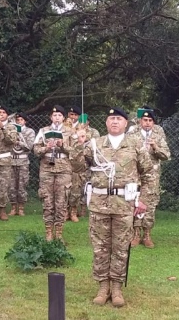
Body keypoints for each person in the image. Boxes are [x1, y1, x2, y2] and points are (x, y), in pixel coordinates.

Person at [78, 107, 151, 307]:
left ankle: (117, 287)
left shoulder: (135, 145)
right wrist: (78, 142)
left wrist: (143, 199)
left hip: (124, 204)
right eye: (111, 118)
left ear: (126, 123)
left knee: (120, 247)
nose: (115, 122)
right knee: (100, 247)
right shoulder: (96, 144)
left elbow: (149, 173)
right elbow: (77, 166)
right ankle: (103, 287)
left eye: (118, 119)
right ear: (106, 122)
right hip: (99, 203)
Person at [128, 108, 170, 248]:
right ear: (140, 121)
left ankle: (147, 235)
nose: (147, 123)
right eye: (145, 120)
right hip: (136, 175)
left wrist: (156, 147)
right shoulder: (133, 136)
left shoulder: (158, 137)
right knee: (134, 203)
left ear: (153, 123)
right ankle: (135, 234)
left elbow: (166, 155)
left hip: (152, 177)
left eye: (150, 121)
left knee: (149, 205)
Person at [33, 105, 75, 242]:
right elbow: (35, 150)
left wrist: (62, 145)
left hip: (63, 169)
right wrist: (47, 147)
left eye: (59, 115)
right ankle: (49, 232)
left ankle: (59, 233)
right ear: (51, 117)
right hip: (47, 169)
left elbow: (75, 151)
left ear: (63, 117)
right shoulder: (43, 131)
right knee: (47, 200)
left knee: (61, 201)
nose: (57, 118)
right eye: (54, 115)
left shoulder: (70, 131)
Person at [66, 106, 99, 222]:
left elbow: (94, 145)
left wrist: (83, 134)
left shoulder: (91, 132)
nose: (73, 117)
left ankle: (75, 211)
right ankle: (66, 211)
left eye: (75, 115)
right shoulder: (66, 129)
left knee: (79, 188)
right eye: (71, 115)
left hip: (83, 163)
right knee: (67, 188)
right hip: (69, 161)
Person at [8, 113, 35, 216]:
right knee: (11, 185)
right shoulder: (11, 131)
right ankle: (13, 207)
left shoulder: (29, 131)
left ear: (25, 121)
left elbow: (29, 147)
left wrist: (19, 141)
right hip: (11, 160)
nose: (19, 121)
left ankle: (21, 208)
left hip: (23, 161)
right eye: (17, 120)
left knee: (22, 185)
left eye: (21, 120)